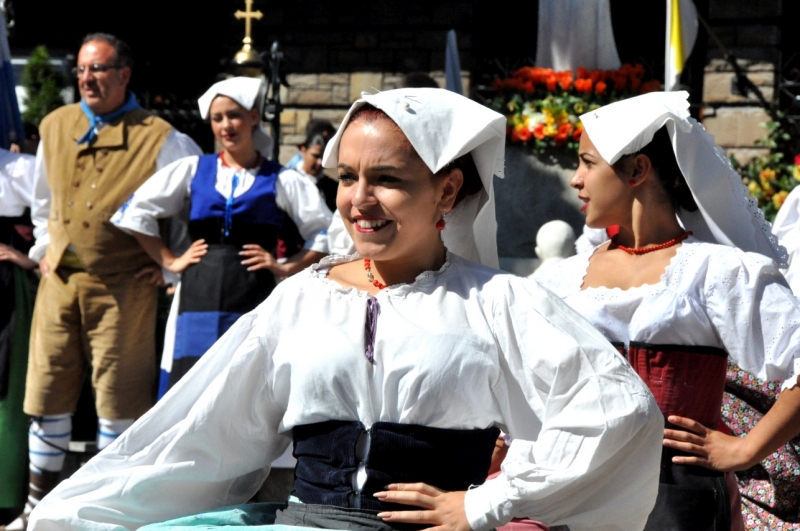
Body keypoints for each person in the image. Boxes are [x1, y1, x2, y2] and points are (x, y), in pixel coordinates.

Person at [29, 88, 663, 531]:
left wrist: (483, 504)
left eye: (387, 178)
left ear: (447, 188)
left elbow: (620, 413)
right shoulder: (303, 300)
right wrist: (72, 513)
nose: (360, 199)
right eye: (348, 177)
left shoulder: (497, 302)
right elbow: (199, 434)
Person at [535, 91, 800, 531]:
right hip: (572, 495)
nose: (575, 179)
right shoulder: (561, 279)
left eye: (587, 162)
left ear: (637, 169)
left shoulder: (717, 272)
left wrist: (745, 449)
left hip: (675, 504)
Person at [9, 33, 202, 531]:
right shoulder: (55, 125)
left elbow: (189, 206)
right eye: (80, 70)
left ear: (123, 74)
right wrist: (44, 252)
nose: (86, 79)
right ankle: (36, 509)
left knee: (119, 400)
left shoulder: (160, 137)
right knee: (47, 393)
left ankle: (99, 513)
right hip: (59, 283)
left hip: (123, 287)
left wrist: (168, 264)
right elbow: (44, 202)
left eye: (97, 69)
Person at [110, 76, 332, 398]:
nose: (226, 125)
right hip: (196, 294)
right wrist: (170, 261)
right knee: (192, 383)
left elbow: (325, 231)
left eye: (234, 115)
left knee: (245, 385)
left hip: (254, 295)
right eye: (217, 118)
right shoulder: (193, 170)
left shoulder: (281, 178)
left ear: (253, 117)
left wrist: (285, 266)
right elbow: (135, 211)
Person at [0, 147, 36, 527]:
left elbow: (59, 217)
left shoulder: (19, 168)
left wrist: (29, 257)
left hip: (7, 289)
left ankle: (6, 498)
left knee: (8, 391)